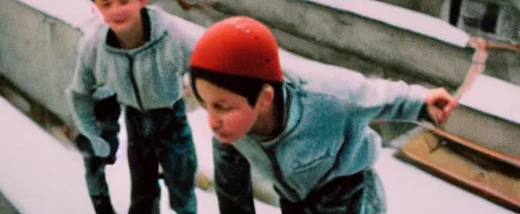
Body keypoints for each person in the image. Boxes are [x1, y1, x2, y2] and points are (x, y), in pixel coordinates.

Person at [189, 16, 457, 214]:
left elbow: (379, 95)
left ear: (264, 98)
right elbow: (232, 194)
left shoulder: (329, 97)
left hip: (351, 197)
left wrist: (421, 102)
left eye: (223, 107)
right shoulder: (230, 133)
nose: (212, 123)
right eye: (206, 105)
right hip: (295, 200)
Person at [68, 0, 198, 214]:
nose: (116, 10)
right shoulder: (95, 47)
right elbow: (79, 92)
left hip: (171, 118)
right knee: (142, 192)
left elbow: (203, 67)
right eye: (105, 1)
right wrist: (93, 135)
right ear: (96, 7)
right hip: (136, 121)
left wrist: (208, 100)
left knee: (181, 189)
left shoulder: (169, 36)